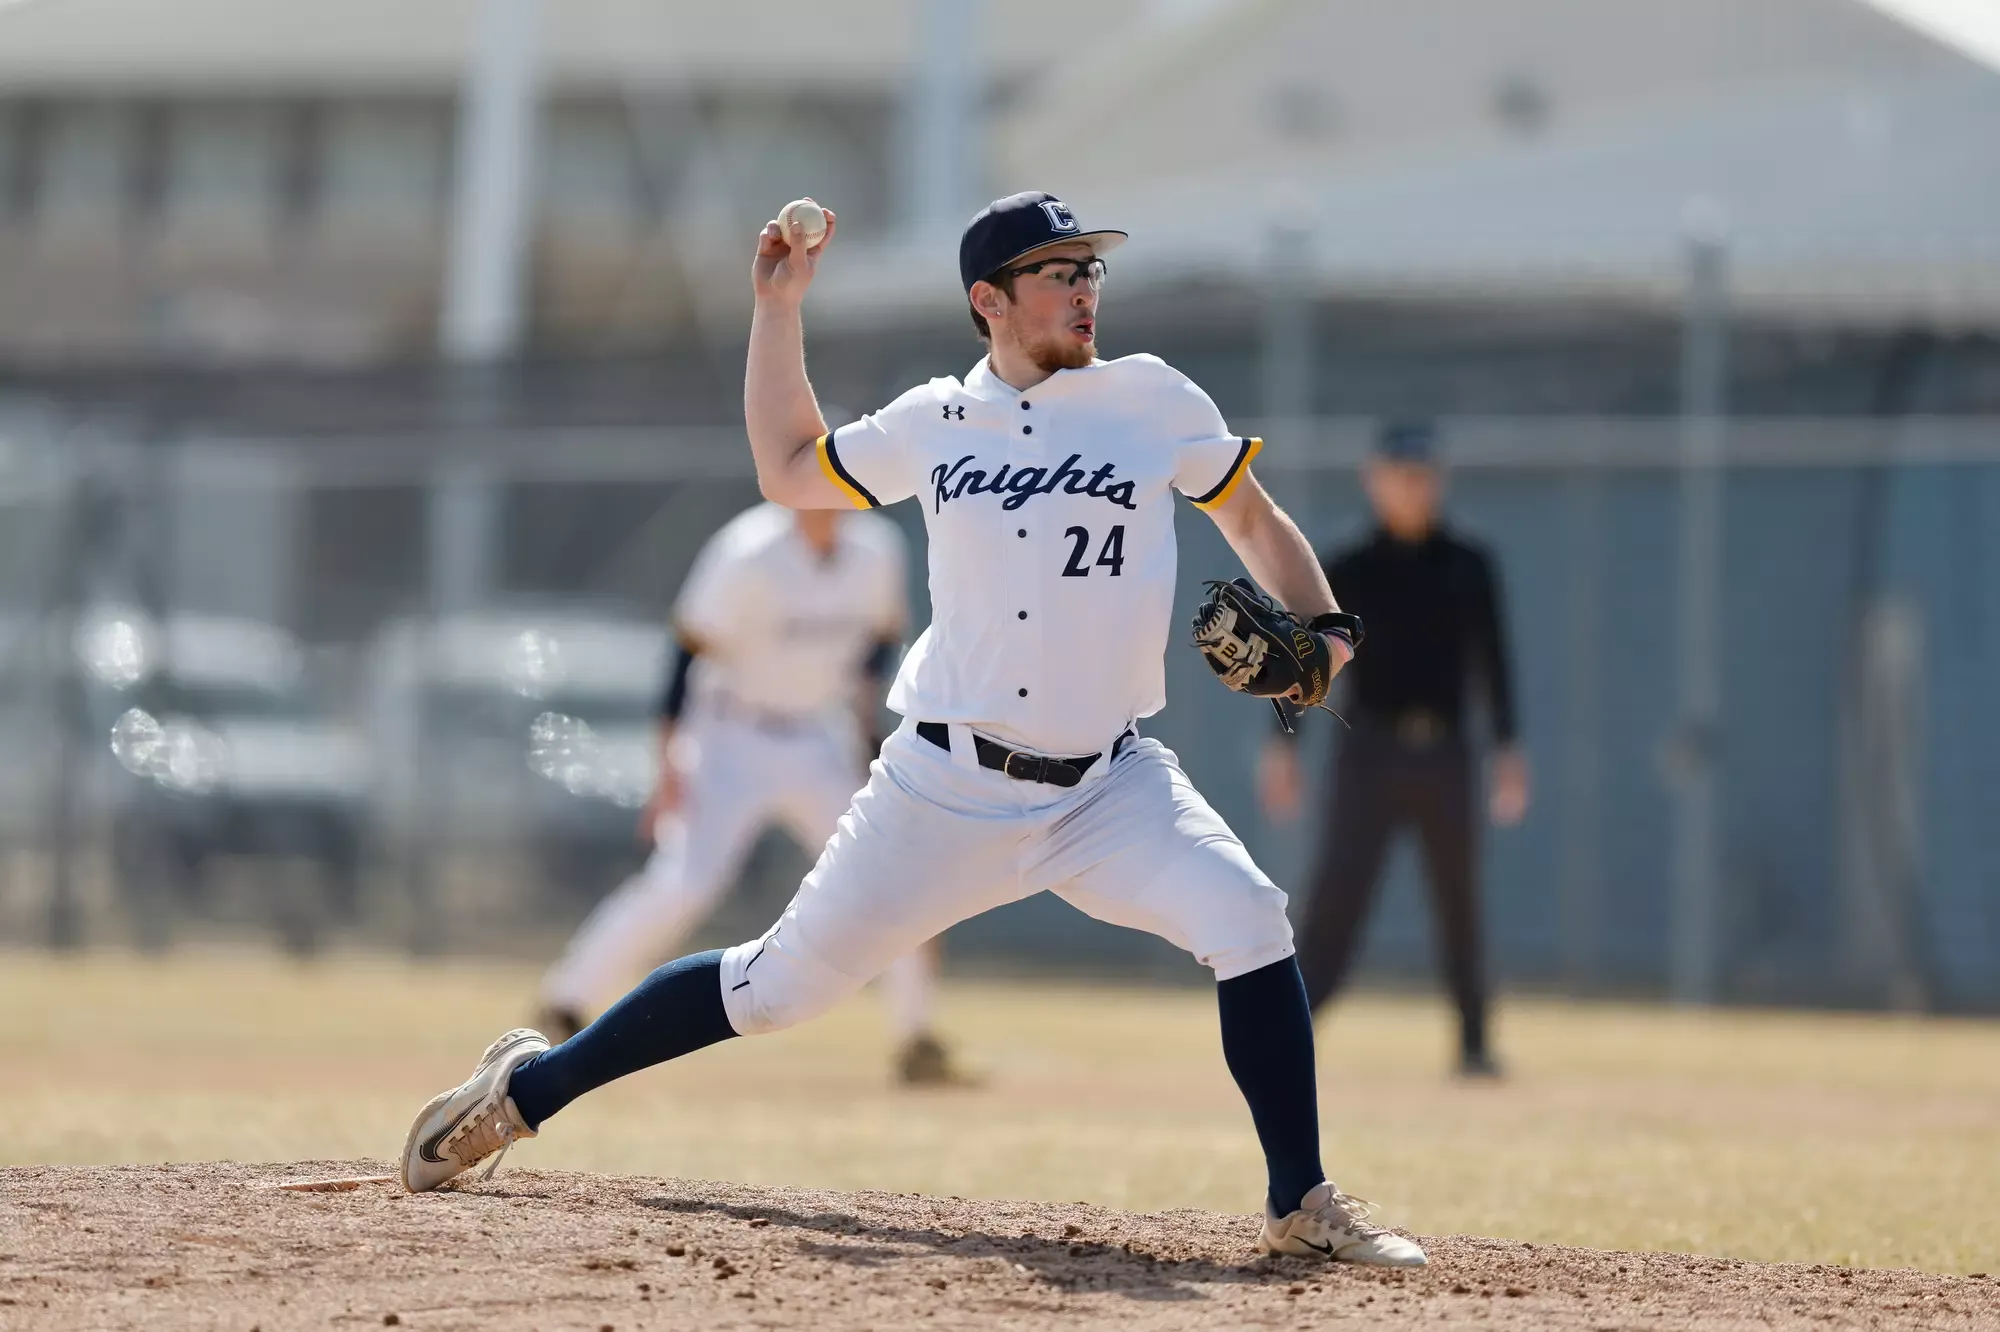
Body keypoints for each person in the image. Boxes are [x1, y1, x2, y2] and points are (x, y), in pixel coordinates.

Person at [399, 191, 1426, 1267]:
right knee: (771, 990)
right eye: (1058, 272)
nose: (1085, 289)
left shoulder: (1151, 397)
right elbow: (787, 469)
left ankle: (1299, 1202)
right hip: (944, 787)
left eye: (1090, 270)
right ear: (990, 300)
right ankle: (525, 1092)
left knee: (1249, 919)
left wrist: (1328, 633)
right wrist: (777, 311)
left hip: (1107, 787)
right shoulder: (933, 421)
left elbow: (1251, 516)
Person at [534, 500, 964, 1086]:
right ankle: (565, 1000)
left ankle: (917, 1038)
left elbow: (881, 642)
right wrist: (668, 763)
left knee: (887, 872)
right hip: (730, 735)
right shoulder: (748, 551)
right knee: (684, 882)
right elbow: (686, 654)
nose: (826, 495)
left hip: (817, 735)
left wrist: (866, 731)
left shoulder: (876, 548)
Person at [1260, 421, 1528, 1078]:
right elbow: (1306, 661)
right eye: (1399, 476)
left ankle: (1474, 1044)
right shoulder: (1349, 567)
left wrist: (1508, 749)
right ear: (1374, 481)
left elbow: (1494, 661)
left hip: (1448, 754)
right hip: (1369, 753)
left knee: (1459, 901)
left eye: (1421, 476)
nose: (1411, 488)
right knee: (1336, 897)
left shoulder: (1469, 563)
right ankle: (1288, 1033)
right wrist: (1284, 747)